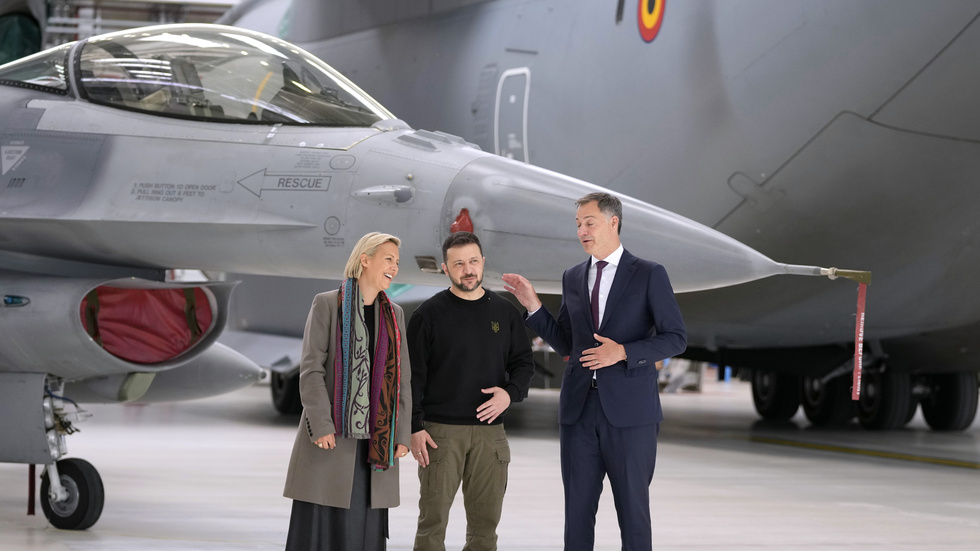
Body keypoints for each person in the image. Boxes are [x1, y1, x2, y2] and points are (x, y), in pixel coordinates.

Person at [502, 192, 687, 551]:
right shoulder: (572, 277)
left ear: (613, 222)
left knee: (633, 513)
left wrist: (623, 352)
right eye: (577, 225)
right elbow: (569, 345)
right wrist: (534, 305)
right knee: (577, 513)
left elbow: (676, 338)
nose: (582, 231)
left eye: (589, 223)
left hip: (631, 414)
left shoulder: (649, 274)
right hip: (579, 410)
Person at [283, 232, 412, 551]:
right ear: (364, 259)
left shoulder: (394, 315)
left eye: (397, 262)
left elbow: (403, 381)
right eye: (388, 259)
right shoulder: (327, 304)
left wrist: (402, 435)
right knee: (321, 524)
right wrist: (321, 425)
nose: (394, 267)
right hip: (332, 436)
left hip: (376, 442)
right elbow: (311, 369)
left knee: (363, 528)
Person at [408, 231, 535, 551]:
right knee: (432, 524)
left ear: (483, 263)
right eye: (459, 263)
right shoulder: (428, 314)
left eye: (474, 262)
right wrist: (413, 427)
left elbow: (523, 363)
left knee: (485, 529)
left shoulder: (504, 312)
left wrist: (509, 394)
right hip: (439, 434)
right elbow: (412, 377)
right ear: (445, 268)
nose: (468, 270)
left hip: (490, 436)